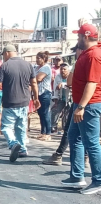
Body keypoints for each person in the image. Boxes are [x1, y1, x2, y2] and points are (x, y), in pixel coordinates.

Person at [61, 24, 101, 195]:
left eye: (78, 37)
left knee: (91, 142)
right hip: (82, 104)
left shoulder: (94, 55)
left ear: (86, 37)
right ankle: (77, 176)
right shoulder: (85, 54)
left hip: (89, 105)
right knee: (74, 136)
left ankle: (98, 179)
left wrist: (82, 107)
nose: (77, 40)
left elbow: (92, 83)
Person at [43, 44, 89, 167]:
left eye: (76, 51)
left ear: (81, 50)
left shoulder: (81, 62)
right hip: (90, 102)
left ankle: (59, 155)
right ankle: (83, 159)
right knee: (85, 134)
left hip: (80, 103)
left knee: (71, 131)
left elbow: (69, 82)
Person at [0, 44, 40, 162]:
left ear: (7, 53)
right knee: (21, 127)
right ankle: (23, 149)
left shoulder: (5, 66)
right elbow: (34, 83)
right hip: (24, 101)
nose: (3, 57)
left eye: (3, 54)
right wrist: (35, 98)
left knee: (5, 127)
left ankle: (13, 144)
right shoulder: (28, 65)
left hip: (10, 102)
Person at [35, 51, 52, 141]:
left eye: (39, 58)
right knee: (40, 113)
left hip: (45, 92)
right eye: (36, 58)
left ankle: (48, 133)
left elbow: (38, 78)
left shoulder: (46, 67)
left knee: (45, 113)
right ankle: (43, 132)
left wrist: (33, 79)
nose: (37, 60)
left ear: (44, 59)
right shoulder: (37, 68)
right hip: (38, 93)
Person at [51, 63, 70, 133]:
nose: (63, 71)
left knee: (68, 113)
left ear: (68, 70)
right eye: (61, 69)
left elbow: (72, 84)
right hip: (61, 97)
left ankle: (66, 128)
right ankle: (53, 126)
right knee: (55, 110)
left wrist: (63, 84)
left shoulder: (71, 76)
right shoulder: (58, 77)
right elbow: (55, 90)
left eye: (64, 69)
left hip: (70, 97)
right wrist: (55, 101)